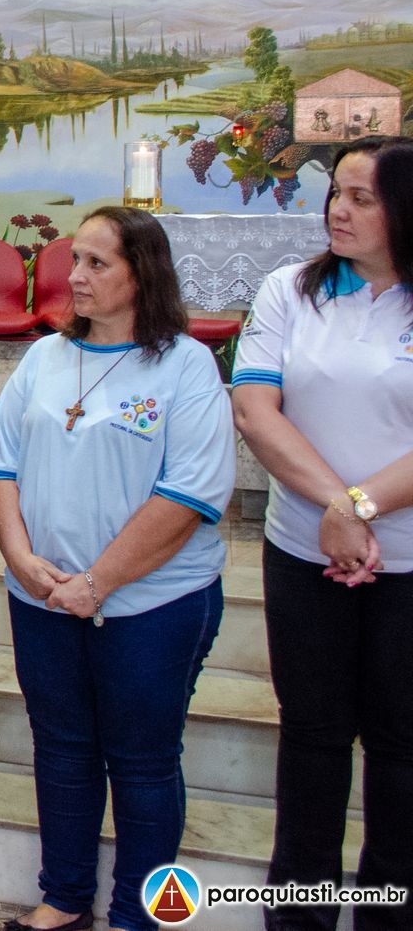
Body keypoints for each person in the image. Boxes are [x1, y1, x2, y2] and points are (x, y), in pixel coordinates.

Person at [0, 206, 232, 931]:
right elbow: (0, 464)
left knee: (143, 761)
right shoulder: (45, 358)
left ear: (142, 274)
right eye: (74, 260)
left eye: (97, 263)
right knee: (62, 750)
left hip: (152, 603)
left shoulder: (185, 364)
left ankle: (137, 915)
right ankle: (63, 898)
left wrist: (97, 583)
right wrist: (21, 558)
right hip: (43, 596)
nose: (75, 276)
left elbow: (189, 495)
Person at [233, 136, 413, 930]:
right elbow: (255, 409)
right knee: (311, 739)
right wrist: (338, 508)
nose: (339, 209)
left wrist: (358, 509)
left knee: (402, 750)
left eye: (362, 197)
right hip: (304, 554)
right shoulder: (290, 290)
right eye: (336, 191)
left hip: (406, 566)